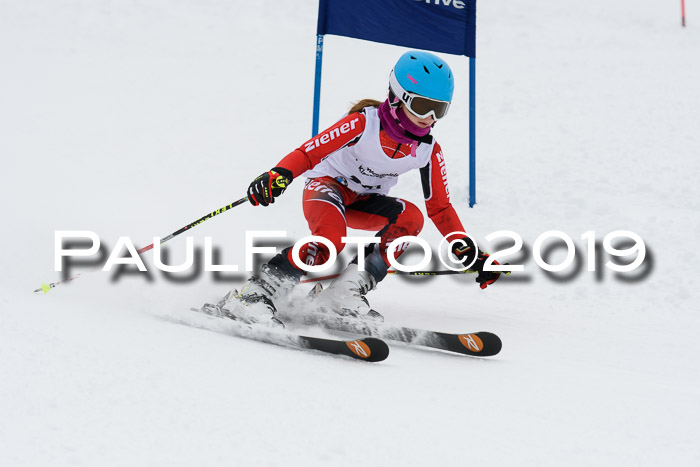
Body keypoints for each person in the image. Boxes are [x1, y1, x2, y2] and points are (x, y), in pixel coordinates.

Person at [226, 50, 502, 325]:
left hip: (364, 201)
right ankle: (256, 292)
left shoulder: (427, 150)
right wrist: (279, 174)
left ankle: (343, 294)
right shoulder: (364, 123)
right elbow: (310, 153)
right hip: (327, 187)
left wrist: (467, 250)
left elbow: (440, 208)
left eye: (439, 109)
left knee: (411, 218)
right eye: (421, 106)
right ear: (397, 97)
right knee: (331, 240)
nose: (429, 117)